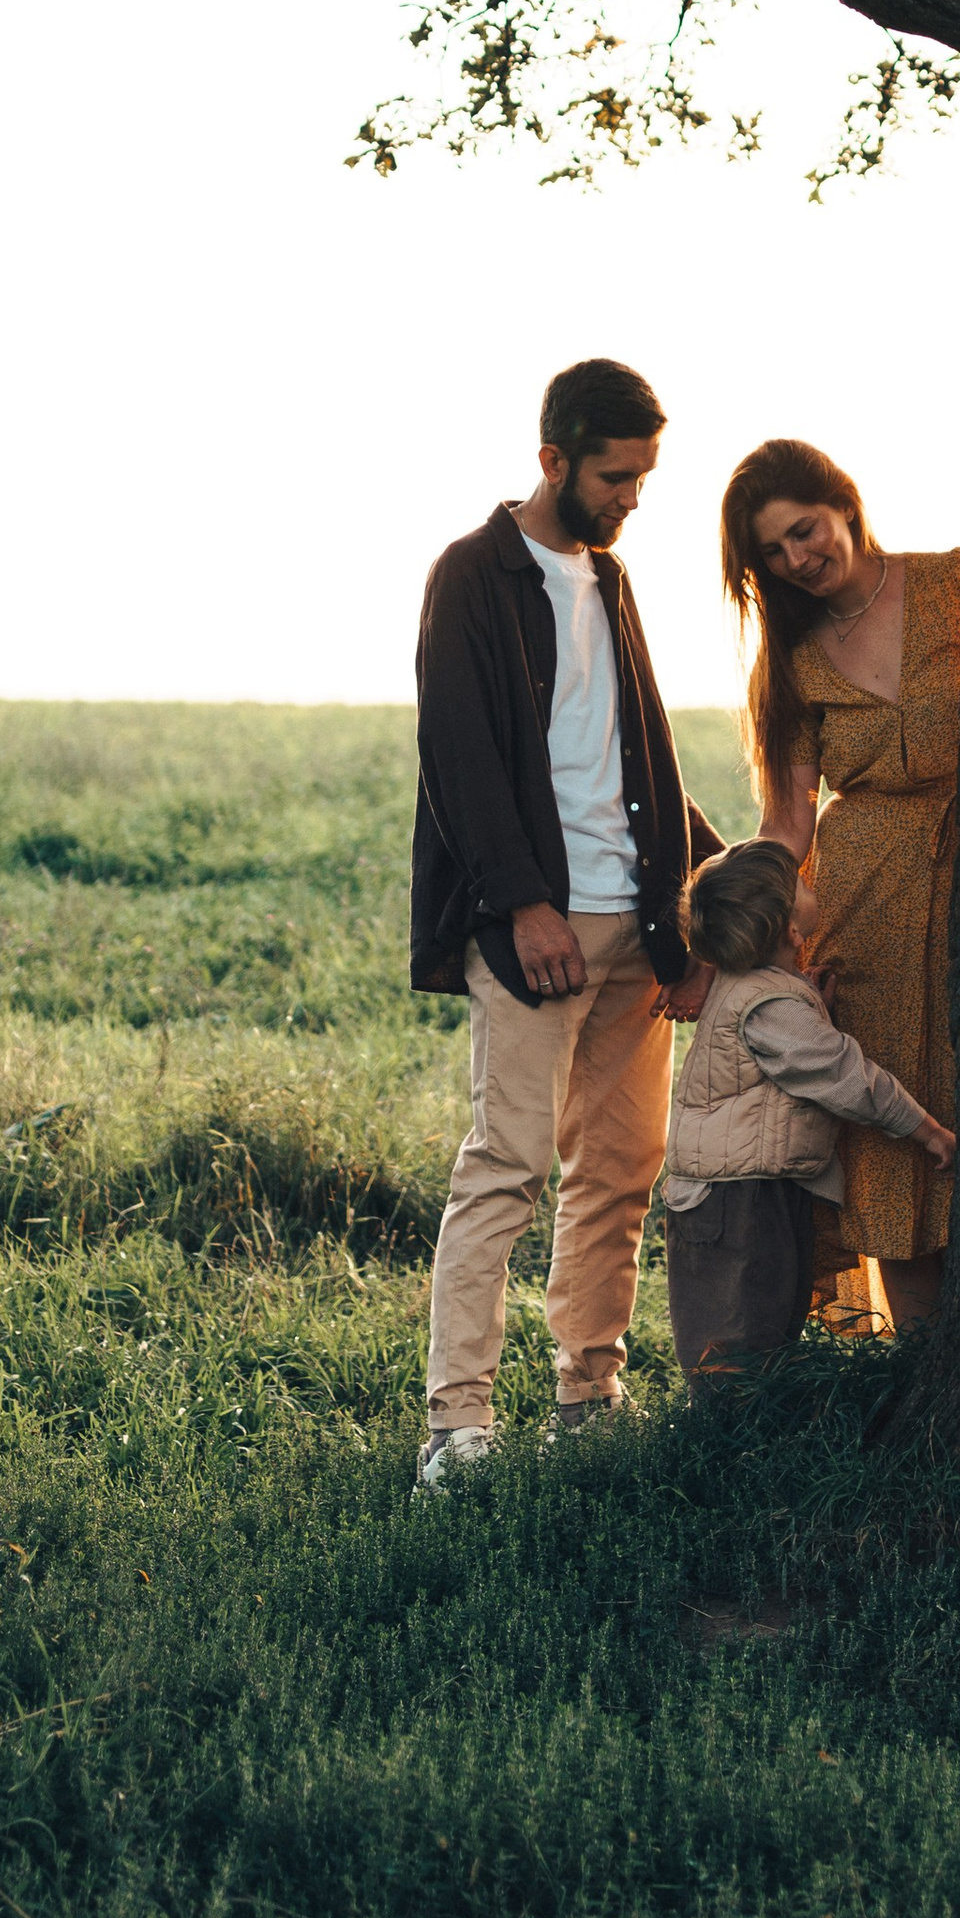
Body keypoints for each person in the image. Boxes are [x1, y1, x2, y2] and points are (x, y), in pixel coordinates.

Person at [410, 358, 720, 1486]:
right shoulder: (474, 576)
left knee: (622, 1168)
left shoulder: (610, 580)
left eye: (642, 475)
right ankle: (457, 1428)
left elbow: (635, 751)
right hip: (534, 927)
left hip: (638, 928)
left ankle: (587, 1394)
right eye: (616, 475)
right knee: (505, 1166)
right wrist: (523, 902)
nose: (632, 496)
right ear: (554, 460)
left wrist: (710, 884)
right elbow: (457, 754)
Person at [720, 438, 960, 1332]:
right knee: (895, 1138)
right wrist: (753, 953)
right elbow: (788, 824)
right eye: (773, 553)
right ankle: (923, 1378)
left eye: (803, 530)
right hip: (864, 905)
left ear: (844, 503)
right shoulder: (787, 661)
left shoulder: (958, 583)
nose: (797, 560)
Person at [661, 840, 954, 1386]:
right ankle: (730, 1446)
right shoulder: (771, 1006)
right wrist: (927, 1129)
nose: (813, 884)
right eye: (803, 883)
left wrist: (812, 1004)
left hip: (744, 1190)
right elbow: (849, 1080)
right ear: (791, 931)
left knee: (764, 1328)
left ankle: (753, 1431)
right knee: (738, 1341)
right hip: (737, 1202)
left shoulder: (759, 988)